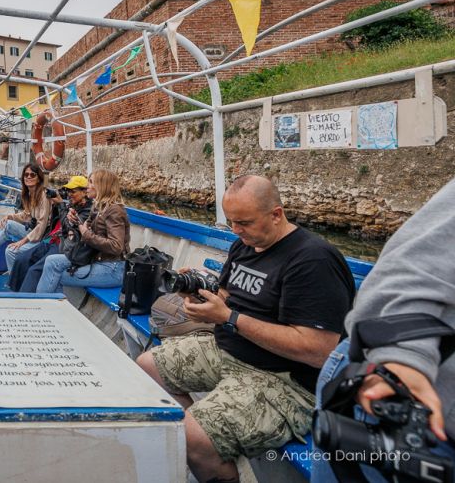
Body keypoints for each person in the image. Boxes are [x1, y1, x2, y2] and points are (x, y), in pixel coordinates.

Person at [135, 174, 355, 483]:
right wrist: (198, 296)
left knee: (192, 437)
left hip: (285, 380)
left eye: (245, 223)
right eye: (232, 222)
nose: (237, 231)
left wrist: (230, 319)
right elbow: (227, 298)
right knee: (146, 367)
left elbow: (319, 350)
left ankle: (202, 444)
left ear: (276, 214)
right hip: (229, 351)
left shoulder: (312, 261)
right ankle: (208, 440)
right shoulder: (246, 245)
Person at [311, 176, 455, 483]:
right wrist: (403, 355)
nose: (237, 231)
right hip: (408, 401)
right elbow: (415, 261)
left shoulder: (311, 257)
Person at [35, 170, 129, 293]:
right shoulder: (98, 207)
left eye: (91, 182)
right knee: (51, 261)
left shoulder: (114, 211)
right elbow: (87, 229)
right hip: (96, 259)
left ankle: (44, 307)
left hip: (112, 268)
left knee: (55, 275)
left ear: (101, 185)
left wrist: (86, 234)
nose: (87, 187)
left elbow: (116, 246)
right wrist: (75, 221)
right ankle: (50, 307)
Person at [11, 176, 93, 293]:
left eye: (73, 191)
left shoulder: (87, 211)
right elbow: (57, 222)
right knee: (22, 259)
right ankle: (15, 294)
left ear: (84, 192)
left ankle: (26, 301)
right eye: (68, 191)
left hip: (66, 247)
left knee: (34, 270)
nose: (69, 194)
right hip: (52, 240)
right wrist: (55, 206)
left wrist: (61, 205)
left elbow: (67, 228)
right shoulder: (73, 205)